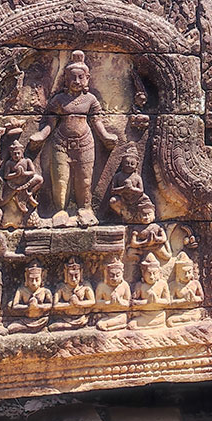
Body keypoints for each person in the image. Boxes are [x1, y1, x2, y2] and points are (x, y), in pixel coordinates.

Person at [29, 51, 118, 227]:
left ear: (87, 78)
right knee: (61, 180)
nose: (77, 81)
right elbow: (50, 123)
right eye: (72, 78)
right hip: (60, 143)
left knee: (85, 180)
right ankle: (60, 210)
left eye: (80, 77)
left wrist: (105, 136)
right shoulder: (59, 99)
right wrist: (41, 135)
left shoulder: (90, 99)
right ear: (66, 79)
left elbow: (97, 121)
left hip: (85, 143)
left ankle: (85, 209)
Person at [50, 257, 96, 331]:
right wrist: (69, 305)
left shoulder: (85, 285)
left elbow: (92, 301)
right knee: (53, 327)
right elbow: (55, 305)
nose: (74, 279)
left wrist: (79, 304)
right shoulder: (61, 287)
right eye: (70, 276)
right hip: (65, 318)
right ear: (65, 274)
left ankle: (69, 326)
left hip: (82, 317)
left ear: (81, 273)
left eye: (76, 276)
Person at [7, 261, 52, 333]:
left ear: (42, 278)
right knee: (10, 328)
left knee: (52, 326)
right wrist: (28, 307)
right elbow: (14, 306)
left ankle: (39, 328)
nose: (34, 283)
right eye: (31, 279)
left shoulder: (45, 291)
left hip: (41, 319)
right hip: (25, 320)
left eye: (37, 279)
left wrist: (38, 307)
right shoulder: (21, 290)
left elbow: (51, 305)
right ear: (26, 278)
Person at [130, 252, 170, 330]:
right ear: (143, 272)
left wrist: (156, 301)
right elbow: (133, 302)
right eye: (149, 273)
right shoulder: (140, 285)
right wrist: (146, 302)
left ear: (159, 272)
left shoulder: (162, 284)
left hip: (158, 315)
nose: (152, 277)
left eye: (154, 273)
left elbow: (167, 301)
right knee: (131, 325)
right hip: (144, 315)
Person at [94, 259, 132, 331]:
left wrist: (119, 302)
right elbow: (96, 303)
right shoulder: (102, 286)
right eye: (111, 275)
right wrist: (108, 303)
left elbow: (129, 303)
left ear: (122, 273)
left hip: (120, 315)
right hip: (105, 315)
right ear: (106, 274)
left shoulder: (124, 285)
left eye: (117, 275)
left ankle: (110, 326)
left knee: (123, 319)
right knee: (99, 323)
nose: (115, 278)